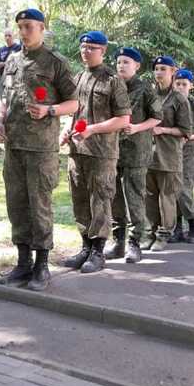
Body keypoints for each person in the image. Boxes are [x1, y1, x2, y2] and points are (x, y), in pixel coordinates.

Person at [0, 8, 78, 291]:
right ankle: (23, 263)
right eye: (20, 27)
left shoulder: (55, 63)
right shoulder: (13, 60)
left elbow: (74, 103)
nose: (23, 31)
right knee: (16, 204)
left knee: (39, 204)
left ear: (42, 28)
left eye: (28, 26)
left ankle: (42, 265)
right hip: (14, 145)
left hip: (41, 148)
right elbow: (6, 96)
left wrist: (50, 110)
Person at [60, 31, 130, 274]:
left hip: (102, 152)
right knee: (79, 199)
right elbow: (75, 112)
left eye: (91, 47)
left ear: (103, 51)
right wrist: (66, 132)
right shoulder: (79, 77)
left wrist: (92, 130)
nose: (85, 51)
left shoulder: (113, 80)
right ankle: (85, 247)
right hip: (78, 150)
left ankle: (98, 251)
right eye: (83, 46)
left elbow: (123, 119)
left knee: (100, 199)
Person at [106, 47, 162, 263]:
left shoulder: (145, 89)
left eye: (126, 62)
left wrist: (138, 128)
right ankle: (118, 241)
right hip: (112, 150)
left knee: (135, 197)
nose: (121, 65)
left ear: (137, 66)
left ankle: (134, 243)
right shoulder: (113, 86)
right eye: (119, 61)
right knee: (114, 197)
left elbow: (157, 116)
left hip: (137, 151)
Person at [144, 55, 192, 252]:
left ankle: (164, 234)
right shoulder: (148, 94)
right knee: (149, 196)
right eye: (156, 69)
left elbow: (186, 131)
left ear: (173, 72)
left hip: (169, 155)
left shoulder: (179, 99)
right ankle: (149, 233)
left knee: (167, 197)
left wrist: (163, 130)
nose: (159, 72)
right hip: (148, 154)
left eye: (163, 69)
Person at [172, 68, 194, 243]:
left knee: (184, 188)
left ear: (191, 86)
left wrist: (188, 137)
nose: (180, 87)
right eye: (177, 83)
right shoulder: (169, 101)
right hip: (171, 151)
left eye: (183, 84)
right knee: (172, 190)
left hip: (190, 151)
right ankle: (177, 228)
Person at [0, 29, 21, 98]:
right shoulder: (1, 50)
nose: (7, 37)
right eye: (6, 36)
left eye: (9, 35)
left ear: (13, 36)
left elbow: (18, 61)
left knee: (11, 99)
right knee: (2, 99)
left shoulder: (18, 47)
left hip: (13, 78)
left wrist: (3, 63)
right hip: (1, 77)